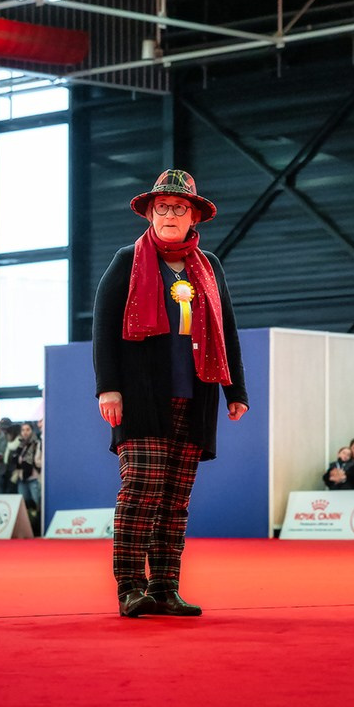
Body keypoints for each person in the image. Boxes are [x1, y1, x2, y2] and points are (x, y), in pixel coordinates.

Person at [93, 169, 248, 618]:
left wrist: (235, 389)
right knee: (140, 488)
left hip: (196, 393)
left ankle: (164, 587)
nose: (169, 215)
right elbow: (103, 328)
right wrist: (109, 388)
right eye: (162, 207)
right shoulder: (128, 260)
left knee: (176, 498)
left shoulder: (209, 266)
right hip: (141, 396)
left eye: (179, 208)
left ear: (194, 215)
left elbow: (227, 329)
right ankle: (130, 588)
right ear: (149, 212)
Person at [10, 421, 43, 535]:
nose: (25, 432)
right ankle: (27, 529)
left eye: (27, 430)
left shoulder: (37, 443)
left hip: (33, 477)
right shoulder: (20, 444)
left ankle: (38, 528)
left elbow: (37, 461)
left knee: (37, 502)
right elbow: (14, 459)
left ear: (32, 431)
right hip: (21, 477)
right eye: (23, 430)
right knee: (24, 504)